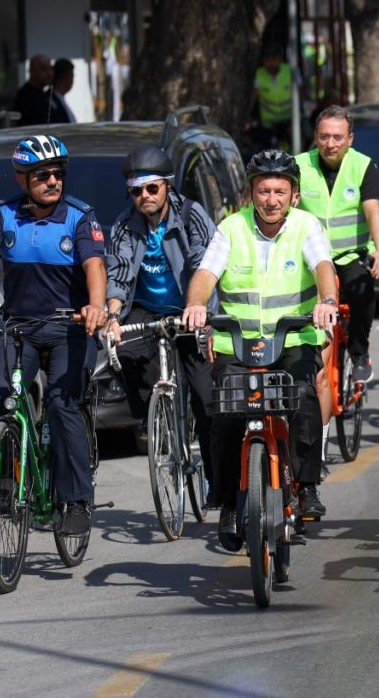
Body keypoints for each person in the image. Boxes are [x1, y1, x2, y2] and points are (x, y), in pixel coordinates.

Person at [0, 135, 107, 534]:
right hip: (20, 328)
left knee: (63, 407)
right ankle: (11, 470)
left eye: (58, 174)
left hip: (70, 328)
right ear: (21, 178)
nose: (52, 181)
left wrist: (95, 306)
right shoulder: (4, 216)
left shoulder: (80, 217)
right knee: (0, 398)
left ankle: (76, 500)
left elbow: (95, 266)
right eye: (42, 175)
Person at [183, 150, 339, 548]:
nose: (271, 199)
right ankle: (230, 503)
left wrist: (327, 302)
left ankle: (305, 484)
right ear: (251, 193)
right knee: (226, 418)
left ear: (295, 196)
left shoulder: (307, 227)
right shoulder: (231, 228)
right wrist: (196, 304)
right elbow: (205, 273)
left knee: (303, 396)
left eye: (280, 191)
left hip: (293, 339)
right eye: (263, 191)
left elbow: (323, 267)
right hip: (238, 343)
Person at [104, 146, 218, 499]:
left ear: (167, 186)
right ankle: (156, 413)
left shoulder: (191, 215)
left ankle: (218, 483)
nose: (144, 197)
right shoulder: (124, 226)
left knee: (206, 398)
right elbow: (119, 274)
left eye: (152, 188)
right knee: (122, 348)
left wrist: (205, 316)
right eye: (136, 191)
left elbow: (207, 262)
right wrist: (111, 316)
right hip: (146, 309)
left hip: (191, 305)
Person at [295, 106, 379, 382]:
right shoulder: (299, 164)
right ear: (315, 136)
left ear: (350, 139)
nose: (330, 144)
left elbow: (373, 211)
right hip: (309, 257)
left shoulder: (363, 165)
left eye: (337, 137)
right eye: (324, 137)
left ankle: (359, 352)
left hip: (349, 256)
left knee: (363, 289)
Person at [252, 44, 294, 149]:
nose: (271, 63)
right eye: (267, 59)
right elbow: (253, 97)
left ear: (280, 59)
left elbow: (301, 93)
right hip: (268, 124)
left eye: (274, 59)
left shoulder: (289, 71)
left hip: (288, 121)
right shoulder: (259, 74)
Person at [13, 54, 55, 126]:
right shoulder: (25, 95)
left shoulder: (44, 94)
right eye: (43, 69)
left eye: (50, 68)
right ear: (31, 71)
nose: (49, 73)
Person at [49, 59, 77, 124]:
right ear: (66, 78)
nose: (72, 81)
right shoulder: (50, 101)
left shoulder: (59, 99)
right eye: (72, 77)